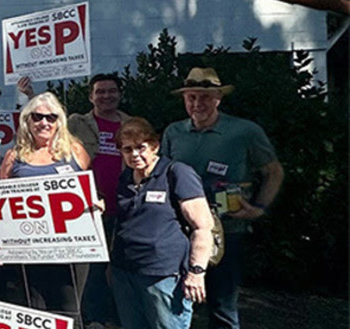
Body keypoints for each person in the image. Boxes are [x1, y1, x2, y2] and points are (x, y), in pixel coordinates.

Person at [160, 67, 282, 329]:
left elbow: (274, 172)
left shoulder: (244, 131)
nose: (197, 103)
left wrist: (259, 207)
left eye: (205, 97)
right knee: (176, 300)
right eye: (191, 97)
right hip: (181, 231)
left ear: (218, 98)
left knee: (223, 306)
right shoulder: (173, 132)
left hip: (228, 230)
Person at [111, 117, 216, 329]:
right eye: (127, 149)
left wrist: (197, 272)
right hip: (125, 271)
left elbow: (203, 226)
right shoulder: (126, 177)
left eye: (141, 147)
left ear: (155, 146)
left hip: (163, 274)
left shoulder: (177, 172)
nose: (134, 155)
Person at [0, 92, 91, 321]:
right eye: (37, 117)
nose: (44, 123)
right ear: (27, 120)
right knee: (33, 310)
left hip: (70, 249)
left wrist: (96, 202)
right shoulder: (13, 156)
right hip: (28, 248)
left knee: (70, 310)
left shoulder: (75, 151)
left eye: (51, 117)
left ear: (60, 121)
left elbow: (89, 190)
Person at [66, 73, 130, 329]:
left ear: (120, 93)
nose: (106, 96)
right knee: (91, 268)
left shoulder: (131, 123)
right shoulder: (76, 123)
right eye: (100, 91)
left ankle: (119, 316)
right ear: (91, 96)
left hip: (126, 205)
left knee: (122, 266)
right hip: (88, 207)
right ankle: (94, 318)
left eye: (111, 91)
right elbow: (50, 132)